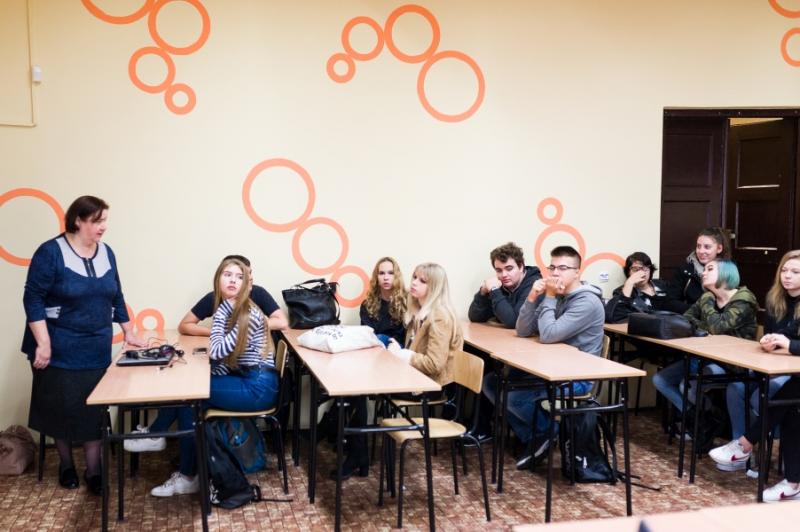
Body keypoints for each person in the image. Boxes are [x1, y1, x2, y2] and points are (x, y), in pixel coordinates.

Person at [22, 195, 146, 495]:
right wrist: (43, 343)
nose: (103, 226)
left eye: (105, 220)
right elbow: (32, 298)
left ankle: (94, 471)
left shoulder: (107, 253)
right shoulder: (50, 252)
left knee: (92, 411)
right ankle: (66, 465)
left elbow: (116, 295)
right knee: (61, 409)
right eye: (97, 220)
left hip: (95, 347)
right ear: (78, 220)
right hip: (57, 347)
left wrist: (128, 332)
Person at [129, 258, 280, 497]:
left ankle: (166, 446)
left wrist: (219, 323)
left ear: (247, 285)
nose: (233, 280)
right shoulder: (229, 310)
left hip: (258, 387)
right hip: (247, 378)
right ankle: (182, 465)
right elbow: (223, 360)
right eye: (227, 275)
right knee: (190, 393)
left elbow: (218, 351)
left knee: (191, 395)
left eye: (240, 277)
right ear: (217, 280)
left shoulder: (246, 314)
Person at [334, 263, 463, 480]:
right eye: (414, 278)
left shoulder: (440, 316)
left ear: (434, 287)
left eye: (422, 281)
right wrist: (400, 351)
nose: (414, 283)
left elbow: (435, 364)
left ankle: (355, 452)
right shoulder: (419, 311)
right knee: (354, 387)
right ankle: (355, 450)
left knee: (357, 390)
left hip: (427, 386)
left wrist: (403, 355)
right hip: (412, 377)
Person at [484, 245, 605, 470]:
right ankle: (538, 437)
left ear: (577, 272)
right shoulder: (558, 297)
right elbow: (523, 330)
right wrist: (532, 297)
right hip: (550, 369)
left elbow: (548, 335)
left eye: (563, 268)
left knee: (513, 396)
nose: (555, 273)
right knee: (492, 382)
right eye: (552, 267)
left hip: (576, 378)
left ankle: (544, 434)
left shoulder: (586, 302)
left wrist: (548, 296)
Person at [711, 250, 800, 473]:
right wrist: (768, 341)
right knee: (736, 388)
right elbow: (773, 334)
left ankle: (760, 446)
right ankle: (741, 453)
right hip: (773, 363)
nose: (787, 276)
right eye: (784, 270)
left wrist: (789, 345)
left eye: (795, 272)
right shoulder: (774, 298)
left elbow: (790, 340)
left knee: (765, 394)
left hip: (793, 371)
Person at [652, 259, 758, 421]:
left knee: (688, 385)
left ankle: (708, 423)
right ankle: (702, 419)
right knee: (661, 380)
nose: (703, 273)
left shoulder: (743, 299)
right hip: (707, 357)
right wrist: (705, 324)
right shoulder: (708, 297)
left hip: (733, 364)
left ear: (725, 274)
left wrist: (707, 304)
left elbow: (718, 327)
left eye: (710, 269)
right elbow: (686, 319)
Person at [178, 254, 287, 335]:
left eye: (242, 276)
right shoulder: (213, 297)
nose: (233, 280)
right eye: (228, 274)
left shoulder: (258, 293)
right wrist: (216, 333)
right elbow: (184, 326)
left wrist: (247, 327)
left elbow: (282, 322)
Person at [468, 242, 542, 328]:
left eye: (509, 269)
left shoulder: (535, 284)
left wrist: (494, 290)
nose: (504, 275)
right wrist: (483, 292)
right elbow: (475, 317)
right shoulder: (500, 285)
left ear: (521, 267)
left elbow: (515, 322)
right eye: (499, 270)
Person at [604, 252, 684, 323]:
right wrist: (629, 283)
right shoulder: (624, 291)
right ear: (628, 272)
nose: (642, 273)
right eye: (636, 270)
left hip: (673, 327)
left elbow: (678, 305)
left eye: (645, 269)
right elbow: (614, 316)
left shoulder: (662, 285)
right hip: (645, 331)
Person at [670, 227, 731, 309]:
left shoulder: (729, 271)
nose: (701, 251)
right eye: (698, 246)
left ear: (719, 248)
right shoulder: (685, 269)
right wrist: (697, 311)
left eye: (707, 247)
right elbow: (671, 302)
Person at [360, 256, 407, 345]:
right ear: (376, 277)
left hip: (399, 348)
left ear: (396, 276)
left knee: (380, 338)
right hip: (376, 346)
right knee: (378, 338)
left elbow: (405, 336)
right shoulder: (367, 305)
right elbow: (367, 336)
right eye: (381, 273)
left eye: (391, 273)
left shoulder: (405, 302)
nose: (386, 277)